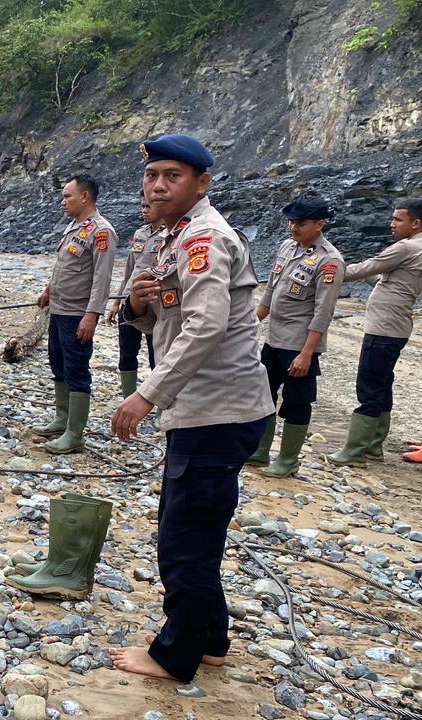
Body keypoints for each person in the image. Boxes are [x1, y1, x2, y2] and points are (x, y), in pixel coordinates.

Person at [109, 134, 274, 683]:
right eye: (152, 174)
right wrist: (137, 306)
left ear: (201, 182)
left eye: (172, 175)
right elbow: (173, 319)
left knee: (184, 539)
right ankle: (212, 641)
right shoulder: (172, 237)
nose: (157, 184)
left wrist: (145, 393)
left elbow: (207, 326)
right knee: (197, 531)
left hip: (217, 410)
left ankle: (174, 656)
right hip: (205, 408)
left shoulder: (202, 236)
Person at [247, 195, 344, 477]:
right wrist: (250, 323)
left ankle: (288, 460)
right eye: (291, 222)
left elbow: (322, 313)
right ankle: (260, 451)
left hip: (299, 344)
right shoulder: (288, 247)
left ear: (319, 223)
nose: (293, 228)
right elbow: (270, 291)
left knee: (297, 402)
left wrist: (306, 353)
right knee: (263, 395)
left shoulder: (330, 261)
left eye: (300, 223)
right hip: (274, 339)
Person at [326, 198, 422, 466]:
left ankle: (355, 451)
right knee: (382, 384)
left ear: (416, 223)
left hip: (383, 329)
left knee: (368, 387)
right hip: (396, 327)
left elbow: (368, 268)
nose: (392, 224)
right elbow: (381, 278)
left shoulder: (407, 247)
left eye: (398, 219)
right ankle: (374, 445)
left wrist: (330, 270)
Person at [34, 174, 117, 453]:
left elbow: (101, 279)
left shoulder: (101, 232)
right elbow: (65, 265)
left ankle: (75, 433)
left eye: (67, 196)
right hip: (59, 309)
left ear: (85, 196)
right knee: (58, 364)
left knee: (77, 370)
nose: (63, 201)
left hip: (77, 313)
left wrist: (92, 314)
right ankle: (62, 418)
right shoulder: (73, 227)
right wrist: (48, 289)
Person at [108, 195, 160, 399]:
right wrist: (116, 302)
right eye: (142, 206)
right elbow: (130, 270)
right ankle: (128, 398)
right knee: (127, 352)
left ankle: (160, 405)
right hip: (129, 303)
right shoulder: (140, 234)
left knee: (157, 355)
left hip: (154, 304)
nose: (144, 210)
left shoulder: (170, 235)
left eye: (149, 206)